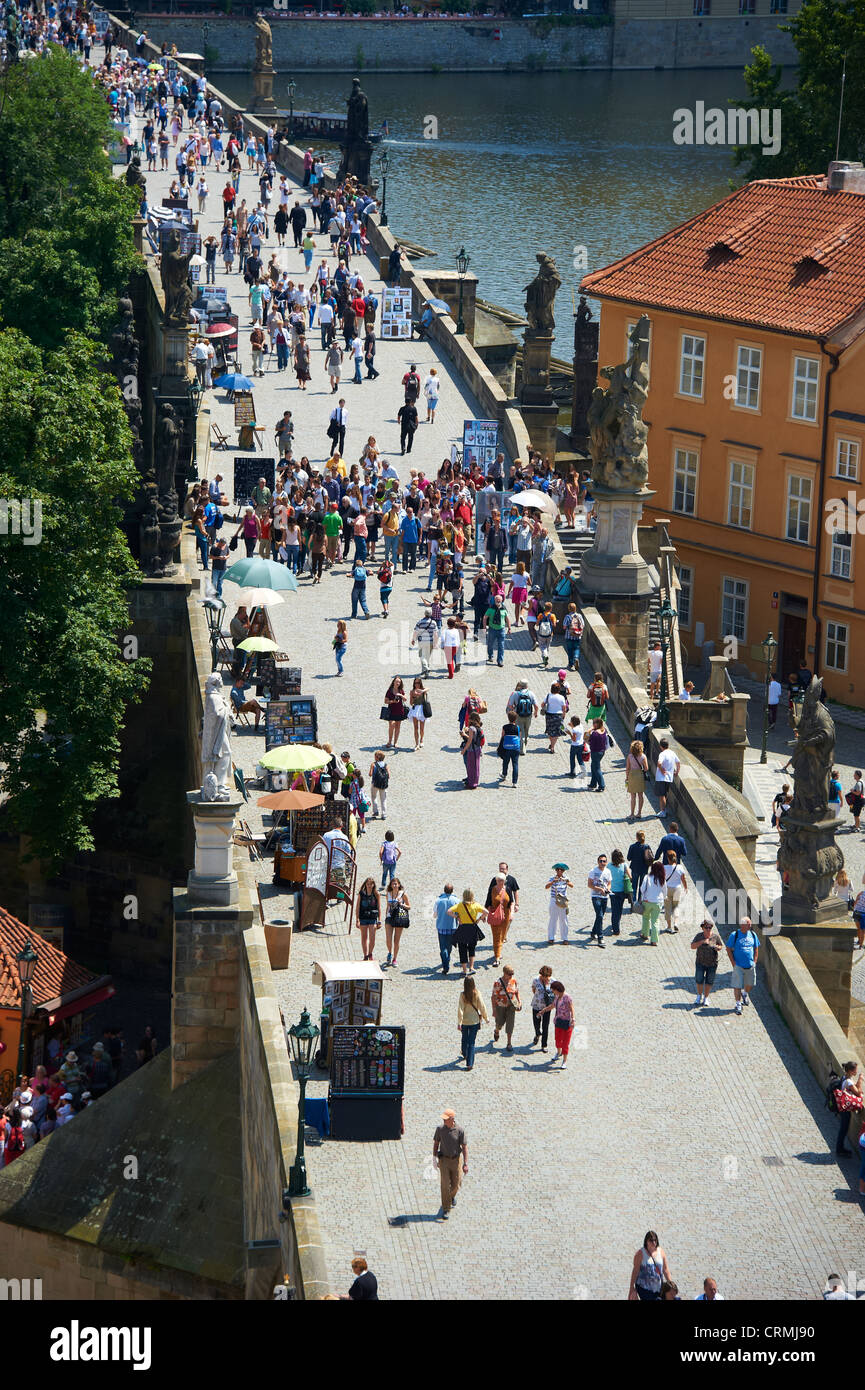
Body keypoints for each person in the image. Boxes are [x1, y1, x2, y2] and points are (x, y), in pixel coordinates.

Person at [432, 1109, 468, 1221]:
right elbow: (436, 1144)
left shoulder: (460, 1130)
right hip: (444, 1161)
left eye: (446, 1119)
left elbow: (464, 1147)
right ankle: (446, 1208)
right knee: (445, 1185)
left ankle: (451, 1197)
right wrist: (434, 1159)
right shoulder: (440, 1129)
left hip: (456, 1160)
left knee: (456, 1184)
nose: (444, 1121)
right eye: (443, 1119)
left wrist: (465, 1163)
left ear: (452, 1119)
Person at [448, 888, 488, 977]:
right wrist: (479, 919)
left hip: (462, 929)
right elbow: (486, 912)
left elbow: (449, 911)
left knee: (462, 949)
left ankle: (464, 970)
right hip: (472, 928)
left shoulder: (460, 905)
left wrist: (457, 917)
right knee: (471, 948)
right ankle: (472, 967)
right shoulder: (476, 905)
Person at [726, 916, 759, 1014]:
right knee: (737, 985)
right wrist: (733, 963)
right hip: (738, 966)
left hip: (750, 965)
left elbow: (756, 948)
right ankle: (738, 1004)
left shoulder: (753, 934)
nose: (750, 926)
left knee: (750, 984)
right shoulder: (734, 935)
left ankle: (745, 994)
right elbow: (728, 949)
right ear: (742, 925)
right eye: (748, 924)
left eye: (750, 924)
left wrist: (755, 961)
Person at [629, 1232, 673, 1301]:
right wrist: (631, 1288)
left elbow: (665, 1269)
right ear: (646, 1241)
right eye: (651, 1240)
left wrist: (671, 1285)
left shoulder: (661, 1252)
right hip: (644, 1289)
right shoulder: (640, 1254)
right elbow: (635, 1271)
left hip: (658, 1288)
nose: (653, 1242)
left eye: (655, 1240)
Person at [691, 917, 724, 1008]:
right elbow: (692, 946)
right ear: (702, 928)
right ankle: (699, 996)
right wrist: (702, 942)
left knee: (709, 981)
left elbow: (720, 945)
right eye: (706, 927)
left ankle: (706, 997)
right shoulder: (699, 936)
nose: (708, 929)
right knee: (699, 980)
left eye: (710, 927)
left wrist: (718, 947)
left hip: (712, 964)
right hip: (700, 962)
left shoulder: (715, 937)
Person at [832, 1060, 864, 1156]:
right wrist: (861, 1079)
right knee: (843, 1129)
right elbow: (858, 1092)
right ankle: (839, 1149)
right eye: (855, 1070)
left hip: (843, 1107)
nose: (856, 1071)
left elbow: (855, 1088)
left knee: (843, 1128)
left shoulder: (845, 1077)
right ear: (850, 1071)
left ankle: (840, 1148)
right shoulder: (848, 1081)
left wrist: (858, 1081)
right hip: (845, 1109)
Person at [457, 976, 489, 1071]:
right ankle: (470, 1063)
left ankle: (464, 1052)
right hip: (475, 1021)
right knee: (471, 1042)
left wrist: (459, 1022)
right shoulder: (477, 993)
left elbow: (460, 1009)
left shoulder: (462, 995)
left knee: (464, 1038)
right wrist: (486, 1018)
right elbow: (482, 1006)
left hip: (465, 1022)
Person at [490, 965, 521, 1053]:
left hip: (511, 1006)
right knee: (499, 1023)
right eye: (509, 974)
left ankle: (509, 1043)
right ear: (504, 973)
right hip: (500, 1006)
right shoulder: (498, 983)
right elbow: (493, 997)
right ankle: (496, 1030)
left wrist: (519, 1002)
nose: (511, 976)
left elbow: (517, 992)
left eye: (512, 974)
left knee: (510, 1024)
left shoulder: (513, 981)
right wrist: (494, 1010)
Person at [546, 979, 575, 1069]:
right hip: (558, 1022)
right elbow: (553, 1005)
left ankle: (564, 1061)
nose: (552, 992)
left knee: (565, 1043)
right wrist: (544, 1010)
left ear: (557, 989)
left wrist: (573, 1019)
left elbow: (571, 1008)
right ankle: (558, 1052)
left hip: (567, 1023)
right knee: (558, 1040)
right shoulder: (557, 997)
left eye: (553, 990)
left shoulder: (567, 997)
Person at [383, 877, 410, 969]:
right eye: (393, 884)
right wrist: (385, 916)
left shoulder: (403, 895)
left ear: (399, 885)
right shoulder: (388, 894)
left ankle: (395, 958)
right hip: (389, 917)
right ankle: (390, 952)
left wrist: (401, 904)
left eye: (396, 884)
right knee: (388, 939)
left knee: (396, 940)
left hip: (399, 917)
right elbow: (387, 906)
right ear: (390, 885)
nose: (394, 885)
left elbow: (409, 906)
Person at [486, 873, 513, 964]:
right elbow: (488, 903)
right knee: (496, 936)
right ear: (496, 881)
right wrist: (484, 915)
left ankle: (499, 950)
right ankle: (497, 957)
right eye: (498, 880)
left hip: (506, 915)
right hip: (496, 915)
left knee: (502, 935)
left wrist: (512, 914)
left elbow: (511, 902)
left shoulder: (508, 889)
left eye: (501, 880)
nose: (500, 882)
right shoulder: (492, 890)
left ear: (504, 881)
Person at [587, 853, 612, 947]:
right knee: (600, 915)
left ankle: (593, 932)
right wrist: (599, 889)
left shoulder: (608, 871)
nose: (602, 863)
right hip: (595, 896)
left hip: (605, 897)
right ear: (598, 862)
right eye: (600, 861)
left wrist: (607, 889)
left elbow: (609, 883)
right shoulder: (593, 871)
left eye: (604, 861)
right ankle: (600, 937)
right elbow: (589, 884)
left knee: (599, 916)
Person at [434, 882, 459, 974]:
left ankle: (445, 964)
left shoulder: (438, 900)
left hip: (441, 926)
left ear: (444, 890)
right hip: (452, 927)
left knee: (442, 947)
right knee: (449, 946)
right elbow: (458, 913)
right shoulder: (457, 900)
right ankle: (447, 958)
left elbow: (435, 914)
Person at [546, 863, 573, 943]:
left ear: (563, 871)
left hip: (563, 900)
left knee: (564, 919)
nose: (559, 871)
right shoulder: (552, 878)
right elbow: (546, 886)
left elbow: (572, 885)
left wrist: (566, 881)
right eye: (557, 869)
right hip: (554, 899)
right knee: (553, 919)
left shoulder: (566, 878)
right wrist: (552, 882)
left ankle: (565, 938)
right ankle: (551, 937)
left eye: (561, 870)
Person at [356, 877, 382, 961]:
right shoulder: (361, 894)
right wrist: (357, 919)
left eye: (371, 884)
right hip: (363, 917)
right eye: (368, 884)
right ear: (365, 884)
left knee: (372, 937)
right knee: (364, 937)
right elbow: (357, 907)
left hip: (373, 917)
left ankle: (370, 953)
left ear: (373, 885)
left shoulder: (376, 894)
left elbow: (379, 907)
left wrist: (380, 920)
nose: (369, 886)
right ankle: (365, 955)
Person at [508, 681, 538, 754]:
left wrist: (514, 709)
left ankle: (522, 748)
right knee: (526, 730)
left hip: (518, 715)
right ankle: (524, 744)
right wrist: (535, 713)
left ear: (520, 686)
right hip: (528, 715)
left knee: (520, 731)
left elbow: (510, 705)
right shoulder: (531, 693)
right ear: (527, 686)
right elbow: (536, 705)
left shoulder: (515, 694)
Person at [640, 861, 666, 945]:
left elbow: (642, 889)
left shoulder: (647, 877)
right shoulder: (662, 879)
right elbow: (665, 891)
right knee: (655, 921)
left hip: (647, 901)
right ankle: (654, 940)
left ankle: (645, 934)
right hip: (657, 902)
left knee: (646, 918)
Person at [662, 851, 688, 933]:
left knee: (667, 908)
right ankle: (676, 923)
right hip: (677, 889)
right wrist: (686, 888)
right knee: (676, 906)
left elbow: (662, 880)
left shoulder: (664, 868)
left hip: (667, 889)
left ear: (668, 859)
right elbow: (683, 879)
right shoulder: (680, 867)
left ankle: (669, 927)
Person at [531, 964, 555, 1052]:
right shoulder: (536, 980)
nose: (545, 978)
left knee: (545, 1026)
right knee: (536, 1023)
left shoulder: (553, 981)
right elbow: (533, 989)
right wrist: (539, 997)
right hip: (536, 1005)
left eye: (547, 976)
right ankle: (537, 1034)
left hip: (547, 1007)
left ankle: (544, 1044)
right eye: (543, 976)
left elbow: (555, 994)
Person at [655, 738, 680, 818]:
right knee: (665, 794)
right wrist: (677, 772)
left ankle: (663, 812)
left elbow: (659, 763)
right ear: (668, 745)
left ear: (661, 746)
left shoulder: (662, 754)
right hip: (669, 777)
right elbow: (678, 763)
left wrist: (662, 770)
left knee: (662, 795)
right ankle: (663, 810)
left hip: (661, 778)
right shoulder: (672, 753)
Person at [542, 683, 568, 754]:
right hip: (558, 716)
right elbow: (564, 708)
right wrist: (563, 716)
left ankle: (552, 744)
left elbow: (542, 704)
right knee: (556, 732)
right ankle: (553, 746)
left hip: (549, 715)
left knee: (550, 731)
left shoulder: (548, 696)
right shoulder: (561, 697)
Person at [496, 713, 521, 787]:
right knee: (515, 764)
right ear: (515, 719)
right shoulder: (518, 727)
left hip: (506, 747)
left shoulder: (505, 727)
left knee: (505, 762)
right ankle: (514, 782)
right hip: (515, 748)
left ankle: (504, 774)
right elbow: (519, 737)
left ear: (508, 718)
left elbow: (502, 736)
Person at [460, 711, 484, 790]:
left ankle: (471, 784)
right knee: (476, 767)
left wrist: (464, 750)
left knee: (471, 767)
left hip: (472, 750)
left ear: (472, 719)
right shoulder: (478, 727)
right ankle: (475, 782)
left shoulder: (471, 728)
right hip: (477, 749)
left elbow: (470, 741)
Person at [587, 718, 612, 791]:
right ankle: (593, 783)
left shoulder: (595, 733)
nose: (593, 724)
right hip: (602, 752)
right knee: (593, 766)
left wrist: (586, 741)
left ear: (597, 724)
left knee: (597, 769)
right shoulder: (603, 730)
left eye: (594, 723)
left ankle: (602, 785)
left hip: (595, 752)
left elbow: (590, 743)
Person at [383, 676, 408, 749]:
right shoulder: (389, 691)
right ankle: (389, 741)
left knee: (398, 726)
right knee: (392, 725)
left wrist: (400, 695)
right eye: (396, 681)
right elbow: (385, 701)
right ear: (393, 682)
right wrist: (393, 701)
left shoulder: (401, 690)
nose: (398, 683)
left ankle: (395, 742)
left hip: (400, 710)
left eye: (399, 682)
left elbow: (405, 699)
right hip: (391, 710)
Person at [408, 677, 430, 749]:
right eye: (415, 683)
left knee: (422, 728)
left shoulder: (423, 690)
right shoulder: (412, 691)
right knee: (415, 728)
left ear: (420, 683)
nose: (416, 684)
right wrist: (414, 697)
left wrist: (421, 691)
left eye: (418, 683)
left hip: (422, 709)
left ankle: (421, 740)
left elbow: (428, 688)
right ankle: (416, 744)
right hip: (415, 709)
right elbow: (411, 703)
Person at [562, 604, 584, 670]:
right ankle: (576, 658)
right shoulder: (579, 616)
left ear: (569, 609)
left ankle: (571, 663)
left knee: (570, 650)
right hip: (577, 636)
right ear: (575, 608)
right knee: (576, 648)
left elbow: (564, 626)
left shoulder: (568, 616)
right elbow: (583, 625)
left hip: (569, 636)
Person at [369, 750, 389, 819]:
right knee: (383, 799)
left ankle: (375, 811)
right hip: (383, 785)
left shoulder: (373, 764)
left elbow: (370, 774)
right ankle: (384, 814)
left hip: (375, 783)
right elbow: (389, 775)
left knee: (374, 797)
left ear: (377, 757)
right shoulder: (385, 765)